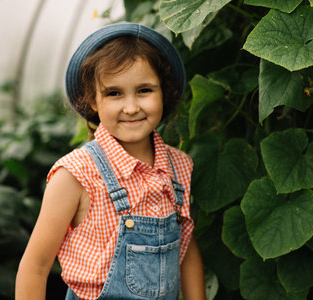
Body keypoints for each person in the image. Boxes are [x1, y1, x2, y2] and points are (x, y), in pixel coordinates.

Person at [16, 22, 205, 300]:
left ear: (164, 93)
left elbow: (185, 250)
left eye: (145, 90)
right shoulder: (76, 174)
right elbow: (35, 266)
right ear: (92, 99)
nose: (131, 107)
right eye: (114, 93)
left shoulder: (178, 167)